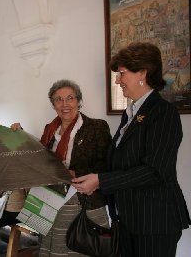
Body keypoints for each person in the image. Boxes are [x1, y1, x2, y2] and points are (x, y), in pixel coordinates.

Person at [72, 42, 191, 257]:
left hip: (155, 221)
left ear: (142, 73)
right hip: (129, 218)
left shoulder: (163, 112)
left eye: (122, 74)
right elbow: (121, 163)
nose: (117, 81)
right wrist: (89, 178)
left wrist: (101, 180)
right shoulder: (131, 113)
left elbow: (155, 170)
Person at [13, 79, 112, 256]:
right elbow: (41, 158)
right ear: (53, 104)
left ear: (79, 101)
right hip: (50, 203)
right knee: (53, 249)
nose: (64, 104)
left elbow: (107, 165)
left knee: (82, 250)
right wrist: (20, 137)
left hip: (83, 204)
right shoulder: (49, 130)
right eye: (58, 99)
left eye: (70, 98)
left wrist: (74, 174)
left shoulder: (97, 127)